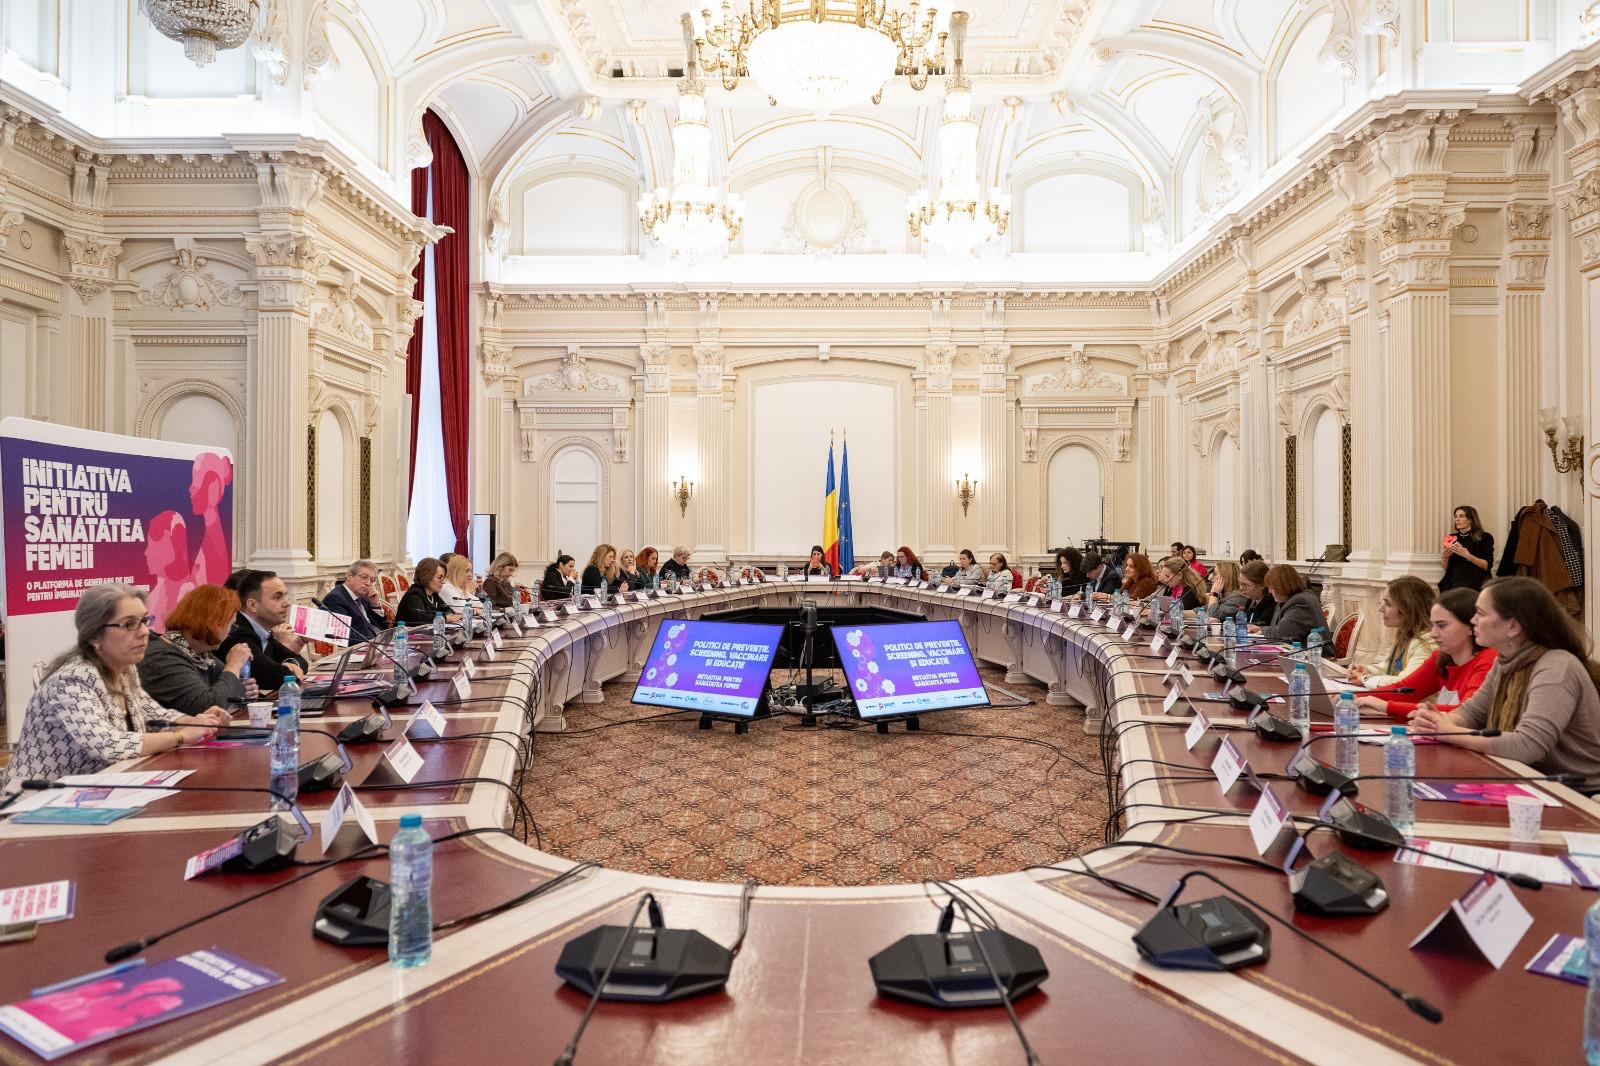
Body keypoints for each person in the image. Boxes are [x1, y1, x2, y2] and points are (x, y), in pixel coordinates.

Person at [2, 585, 226, 791]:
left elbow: (154, 715)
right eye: (129, 624)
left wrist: (196, 722)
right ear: (94, 635)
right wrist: (180, 736)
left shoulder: (125, 669)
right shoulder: (71, 680)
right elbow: (107, 744)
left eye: (144, 621)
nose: (144, 632)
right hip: (34, 799)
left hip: (95, 792)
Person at [1410, 577, 1600, 791]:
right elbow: (1473, 713)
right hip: (1525, 777)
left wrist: (1450, 733)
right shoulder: (1505, 661)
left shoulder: (1556, 667)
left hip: (1575, 792)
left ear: (1513, 626)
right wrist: (1437, 722)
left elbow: (1527, 746)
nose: (1473, 620)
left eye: (1480, 613)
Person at [1357, 588, 1496, 720]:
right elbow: (1407, 690)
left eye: (1442, 625)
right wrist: (1353, 697)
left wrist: (1387, 706)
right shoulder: (1441, 656)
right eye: (1433, 625)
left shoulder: (1488, 659)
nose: (1433, 634)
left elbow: (1464, 713)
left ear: (1471, 626)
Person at [139, 584, 254, 718]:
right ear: (215, 623)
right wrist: (234, 665)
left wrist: (243, 689)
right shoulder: (162, 657)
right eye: (231, 625)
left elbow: (227, 690)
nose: (229, 633)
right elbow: (208, 706)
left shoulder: (200, 654)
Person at [218, 570, 308, 692]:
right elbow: (273, 677)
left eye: (285, 596)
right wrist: (287, 670)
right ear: (252, 605)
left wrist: (291, 665)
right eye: (277, 597)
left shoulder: (262, 631)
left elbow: (301, 662)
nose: (287, 603)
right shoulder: (237, 632)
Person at [1348, 576, 1438, 688]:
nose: (1381, 609)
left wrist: (1365, 678)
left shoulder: (1428, 641)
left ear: (1409, 608)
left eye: (1388, 604)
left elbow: (1405, 683)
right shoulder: (1406, 633)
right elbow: (1392, 667)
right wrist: (1368, 670)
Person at [1248, 564, 1322, 645]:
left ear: (1281, 586)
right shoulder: (1288, 600)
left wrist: (1262, 630)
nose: (1269, 591)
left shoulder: (1300, 602)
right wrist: (1260, 629)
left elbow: (1283, 632)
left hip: (1314, 652)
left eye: (1271, 587)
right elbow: (1278, 628)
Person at [322, 560, 389, 643]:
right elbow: (346, 637)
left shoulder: (364, 596)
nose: (368, 583)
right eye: (364, 577)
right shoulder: (335, 599)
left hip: (377, 643)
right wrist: (375, 641)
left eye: (372, 580)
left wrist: (375, 605)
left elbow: (383, 628)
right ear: (349, 575)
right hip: (360, 647)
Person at [1440, 504, 1495, 593]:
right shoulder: (1451, 537)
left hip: (1476, 585)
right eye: (1456, 516)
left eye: (1461, 516)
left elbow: (1486, 566)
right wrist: (1445, 558)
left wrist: (1468, 556)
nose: (1457, 519)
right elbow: (1447, 568)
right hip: (1453, 584)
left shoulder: (1484, 537)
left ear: (1471, 519)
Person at [397, 557, 459, 626]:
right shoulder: (414, 594)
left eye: (443, 578)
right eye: (440, 577)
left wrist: (452, 616)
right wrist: (446, 618)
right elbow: (421, 618)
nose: (443, 582)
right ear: (426, 576)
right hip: (404, 632)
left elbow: (449, 611)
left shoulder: (434, 595)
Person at [1238, 560, 1275, 626]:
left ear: (1262, 585)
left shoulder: (1272, 604)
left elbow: (1259, 626)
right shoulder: (1251, 601)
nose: (1241, 588)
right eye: (1240, 584)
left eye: (1245, 585)